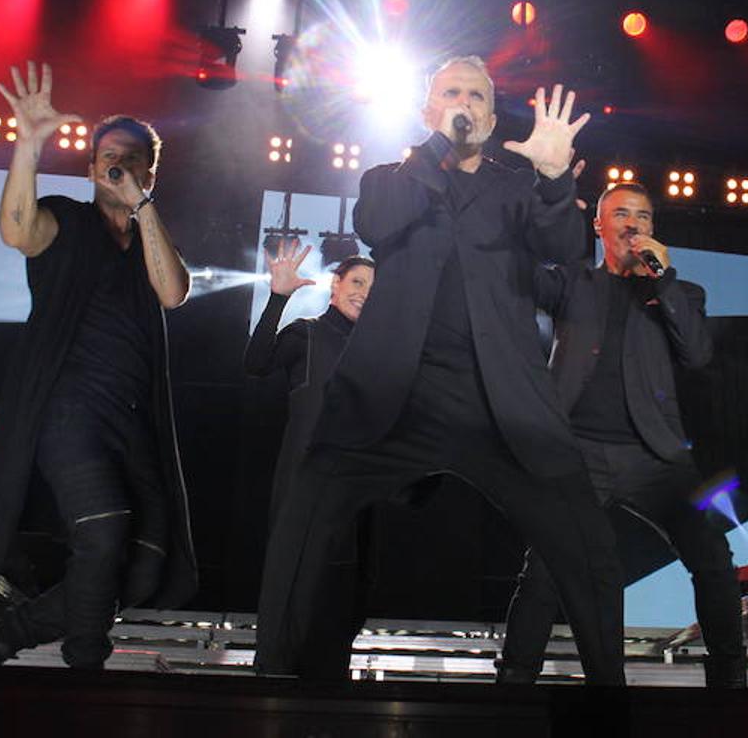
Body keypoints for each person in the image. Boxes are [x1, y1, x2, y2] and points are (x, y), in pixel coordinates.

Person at [255, 56, 625, 684]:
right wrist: (435, 150)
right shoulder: (389, 179)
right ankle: (268, 684)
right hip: (394, 395)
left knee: (588, 549)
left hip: (499, 402)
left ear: (490, 112)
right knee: (305, 514)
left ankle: (611, 703)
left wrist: (557, 177)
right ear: (428, 111)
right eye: (451, 94)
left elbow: (565, 249)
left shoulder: (516, 187)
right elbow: (374, 223)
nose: (465, 104)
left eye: (476, 96)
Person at [0, 61, 197, 668]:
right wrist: (27, 146)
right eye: (108, 156)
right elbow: (17, 230)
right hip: (69, 411)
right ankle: (86, 665)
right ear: (90, 169)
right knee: (104, 528)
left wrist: (143, 209)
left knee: (141, 565)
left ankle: (7, 636)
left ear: (149, 171)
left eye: (132, 157)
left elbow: (173, 292)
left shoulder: (149, 238)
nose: (118, 163)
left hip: (132, 420)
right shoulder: (68, 219)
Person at [497, 182, 747, 687]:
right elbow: (516, 274)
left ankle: (729, 682)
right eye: (621, 214)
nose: (633, 224)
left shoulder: (680, 291)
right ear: (600, 225)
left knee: (713, 557)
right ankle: (514, 683)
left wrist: (664, 281)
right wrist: (548, 205)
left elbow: (698, 355)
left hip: (657, 456)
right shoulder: (573, 283)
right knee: (546, 566)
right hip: (577, 452)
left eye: (644, 216)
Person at [244, 249, 376, 678]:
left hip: (352, 498)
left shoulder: (380, 351)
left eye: (374, 289)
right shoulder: (308, 335)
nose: (364, 294)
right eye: (357, 282)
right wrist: (277, 298)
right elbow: (256, 363)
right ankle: (273, 686)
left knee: (340, 601)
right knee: (291, 593)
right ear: (336, 285)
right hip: (302, 490)